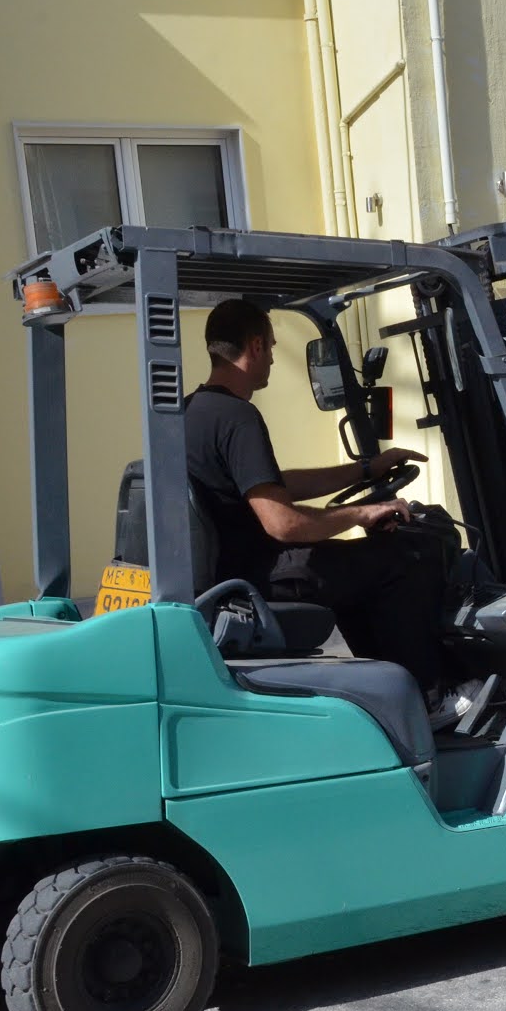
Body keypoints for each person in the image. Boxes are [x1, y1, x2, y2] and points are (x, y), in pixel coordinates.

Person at [187, 299, 462, 723]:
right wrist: (361, 515)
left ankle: (386, 696)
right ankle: (431, 701)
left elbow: (274, 484)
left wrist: (366, 469)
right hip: (258, 575)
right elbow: (283, 524)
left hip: (234, 572)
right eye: (272, 347)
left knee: (355, 570)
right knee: (410, 555)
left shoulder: (194, 412)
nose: (273, 358)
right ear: (255, 346)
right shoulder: (239, 417)